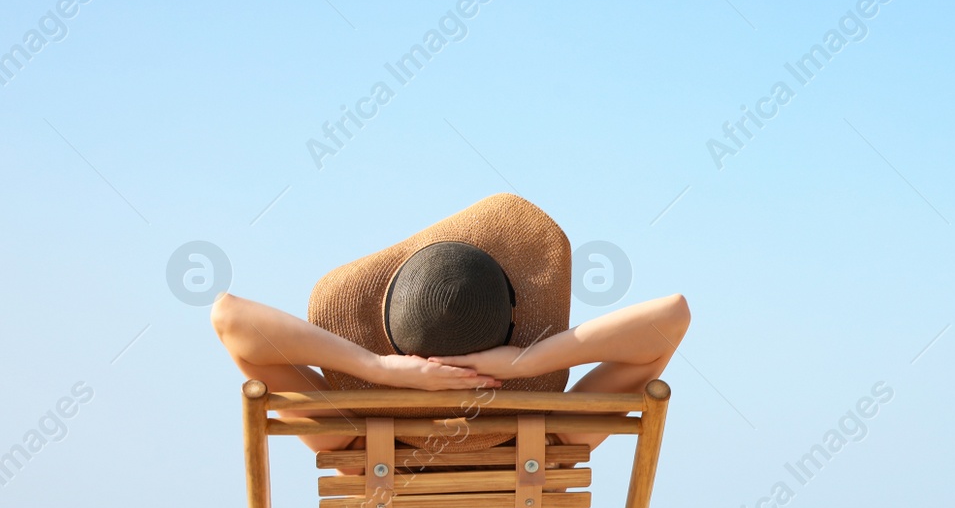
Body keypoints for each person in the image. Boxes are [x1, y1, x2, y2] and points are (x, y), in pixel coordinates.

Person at [209, 195, 688, 450]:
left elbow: (229, 318)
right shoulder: (557, 436)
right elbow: (672, 317)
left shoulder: (349, 442)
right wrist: (525, 362)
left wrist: (376, 369)